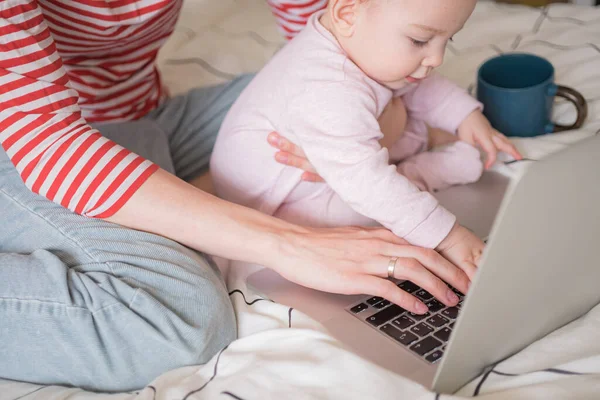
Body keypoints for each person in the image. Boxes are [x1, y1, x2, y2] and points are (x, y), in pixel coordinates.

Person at [0, 0, 472, 392]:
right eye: (423, 40)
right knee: (182, 320)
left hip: (133, 124)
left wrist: (367, 135)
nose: (436, 56)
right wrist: (288, 243)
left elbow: (325, 49)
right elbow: (46, 142)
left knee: (328, 94)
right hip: (26, 147)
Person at [210, 0, 523, 290]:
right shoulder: (329, 88)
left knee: (398, 106)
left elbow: (414, 84)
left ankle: (421, 146)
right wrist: (449, 237)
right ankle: (419, 174)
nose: (437, 59)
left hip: (335, 159)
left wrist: (464, 115)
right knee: (370, 219)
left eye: (448, 40)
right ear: (347, 14)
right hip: (281, 204)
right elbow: (368, 185)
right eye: (419, 41)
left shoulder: (358, 45)